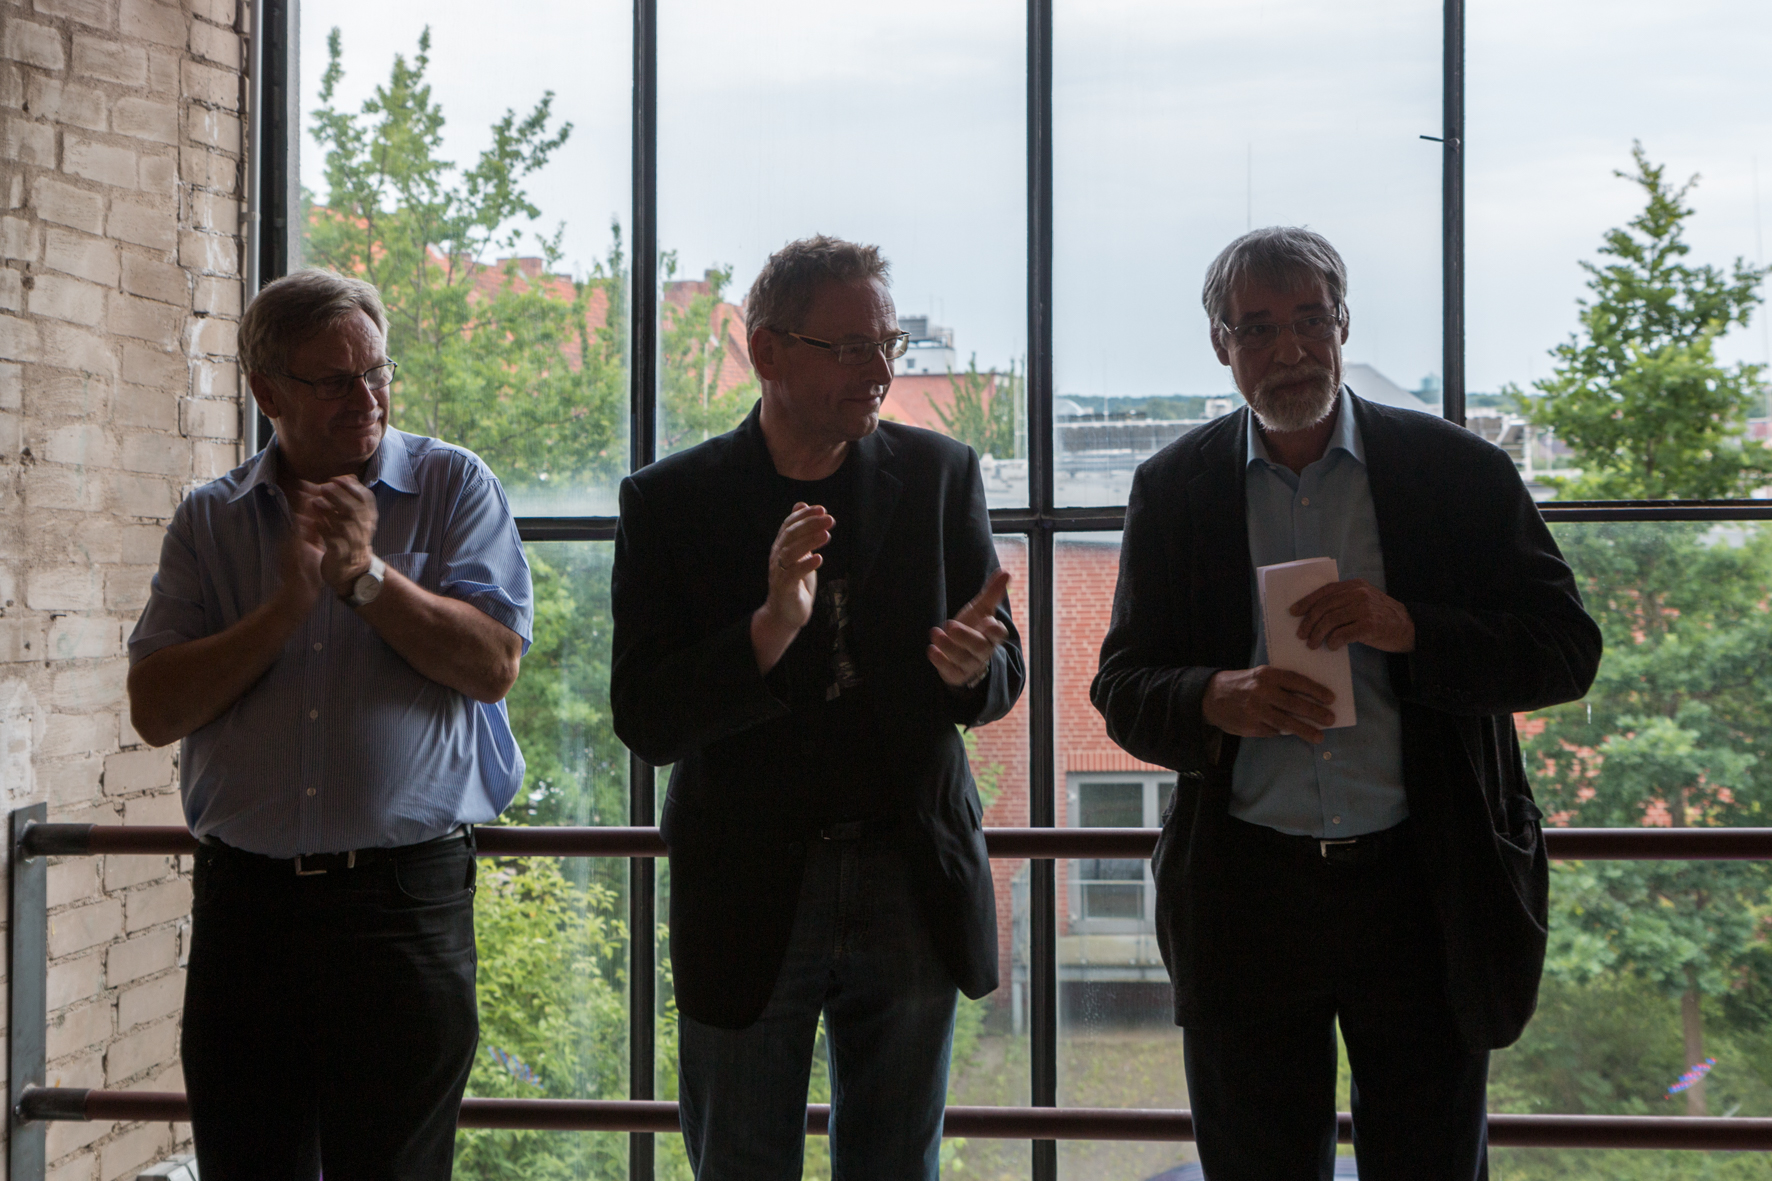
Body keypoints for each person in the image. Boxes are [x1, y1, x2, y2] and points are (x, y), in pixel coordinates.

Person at [1091, 227, 1602, 1179]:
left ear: (1344, 325)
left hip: (1424, 886)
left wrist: (1409, 626)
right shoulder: (1175, 489)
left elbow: (1568, 651)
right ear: (1220, 344)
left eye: (1310, 320)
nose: (1289, 349)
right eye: (1257, 328)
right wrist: (1215, 696)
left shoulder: (1457, 472)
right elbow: (1121, 688)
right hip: (1249, 896)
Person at [612, 234, 1023, 1179]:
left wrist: (975, 669)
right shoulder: (673, 501)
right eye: (850, 347)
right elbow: (645, 717)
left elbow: (1003, 672)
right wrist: (768, 630)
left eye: (889, 343)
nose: (879, 369)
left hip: (909, 875)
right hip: (749, 886)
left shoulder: (939, 475)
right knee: (742, 1159)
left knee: (897, 1162)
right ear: (766, 350)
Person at [126, 268, 532, 1180]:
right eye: (336, 380)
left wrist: (365, 580)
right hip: (247, 910)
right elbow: (155, 710)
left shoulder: (454, 485)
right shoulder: (211, 519)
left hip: (404, 904)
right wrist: (284, 608)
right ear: (267, 392)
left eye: (377, 371)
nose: (368, 397)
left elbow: (494, 666)